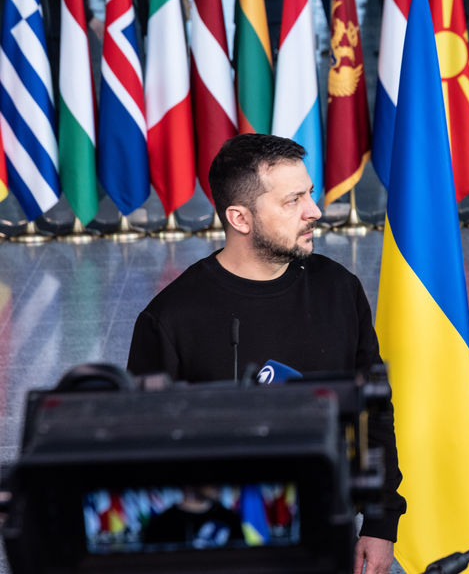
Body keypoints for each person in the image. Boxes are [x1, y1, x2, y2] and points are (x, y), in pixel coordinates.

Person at [127, 134, 403, 574]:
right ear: (240, 217)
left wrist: (380, 522)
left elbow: (375, 414)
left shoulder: (339, 289)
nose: (314, 211)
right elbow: (143, 453)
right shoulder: (169, 318)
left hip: (326, 534)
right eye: (293, 200)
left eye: (310, 194)